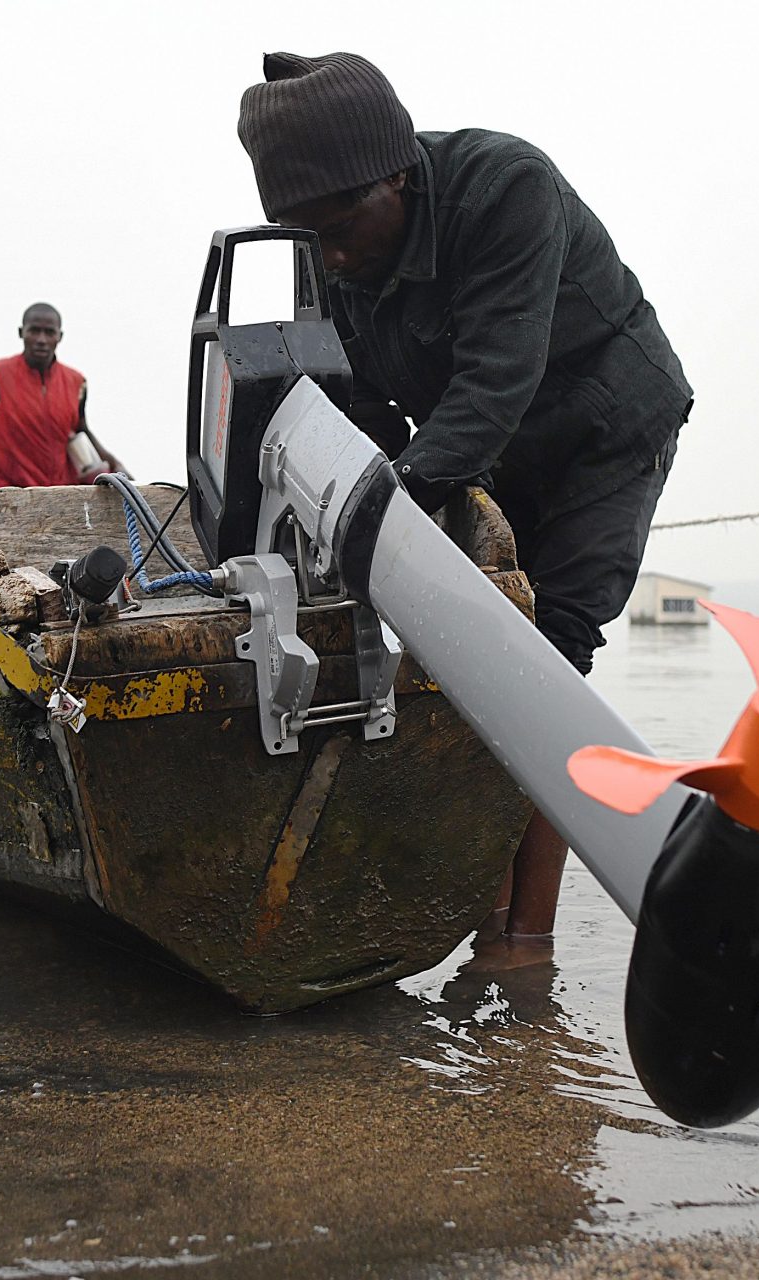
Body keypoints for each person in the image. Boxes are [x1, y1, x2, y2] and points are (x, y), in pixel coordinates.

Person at [237, 53, 694, 962]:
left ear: (397, 174)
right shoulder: (330, 250)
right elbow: (355, 401)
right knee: (468, 669)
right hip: (481, 452)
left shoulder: (505, 190)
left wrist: (380, 509)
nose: (328, 256)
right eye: (305, 237)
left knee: (546, 666)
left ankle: (523, 949)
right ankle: (475, 916)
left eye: (339, 229)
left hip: (603, 433)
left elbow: (492, 381)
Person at [0, 303, 127, 486]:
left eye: (49, 332)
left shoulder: (76, 383)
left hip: (58, 496)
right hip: (1, 493)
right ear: (21, 332)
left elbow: (81, 430)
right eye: (34, 331)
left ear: (59, 336)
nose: (41, 339)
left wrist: (116, 465)